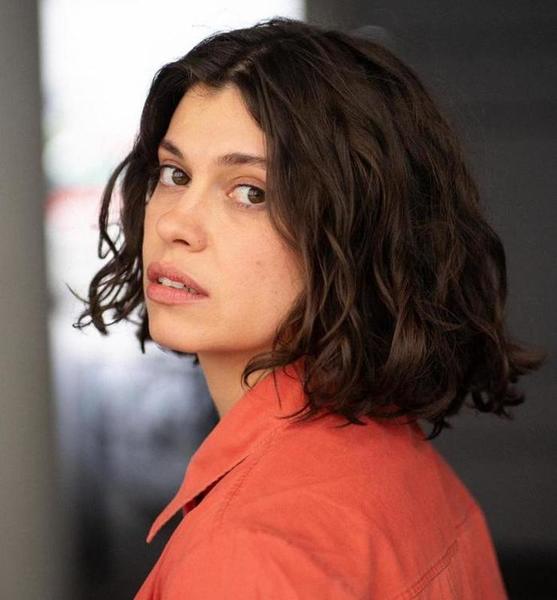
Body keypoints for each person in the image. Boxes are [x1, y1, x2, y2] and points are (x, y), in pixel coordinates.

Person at [75, 17, 546, 599]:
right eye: (176, 174)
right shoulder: (401, 457)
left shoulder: (247, 555)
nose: (175, 223)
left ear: (353, 231)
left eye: (251, 192)